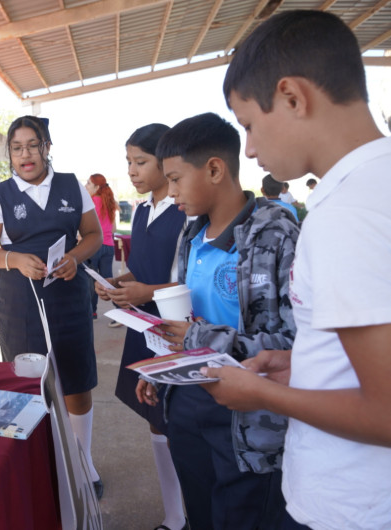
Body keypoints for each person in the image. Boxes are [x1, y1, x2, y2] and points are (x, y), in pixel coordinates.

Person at [203, 10, 391, 530]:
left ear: (292, 97)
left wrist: (262, 393)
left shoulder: (346, 216)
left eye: (248, 125)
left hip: (354, 508)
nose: (251, 148)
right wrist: (303, 364)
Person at [138, 112, 299, 529]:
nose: (170, 191)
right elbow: (184, 316)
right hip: (189, 401)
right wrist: (160, 368)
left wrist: (197, 337)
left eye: (175, 178)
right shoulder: (191, 234)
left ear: (214, 169)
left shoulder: (275, 232)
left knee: (243, 513)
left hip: (248, 416)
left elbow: (293, 341)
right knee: (202, 509)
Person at [0, 115, 104, 498]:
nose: (25, 154)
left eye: (33, 145)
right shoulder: (0, 195)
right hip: (22, 302)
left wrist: (76, 258)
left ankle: (83, 464)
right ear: (9, 154)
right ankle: (38, 464)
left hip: (68, 295)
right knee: (29, 385)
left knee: (77, 383)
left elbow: (93, 234)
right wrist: (13, 260)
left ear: (47, 147)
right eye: (17, 148)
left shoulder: (70, 185)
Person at [95, 123, 187, 530]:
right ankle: (174, 516)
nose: (131, 170)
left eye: (140, 161)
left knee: (180, 420)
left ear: (165, 161)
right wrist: (121, 282)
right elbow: (145, 268)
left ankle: (188, 512)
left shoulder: (185, 212)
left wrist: (145, 290)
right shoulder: (146, 210)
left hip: (174, 330)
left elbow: (189, 279)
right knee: (154, 418)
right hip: (142, 326)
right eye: (128, 162)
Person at [84, 173, 118, 319]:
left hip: (94, 245)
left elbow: (86, 226)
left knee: (90, 280)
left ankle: (92, 311)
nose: (85, 186)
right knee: (107, 280)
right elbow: (114, 228)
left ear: (97, 187)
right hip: (109, 246)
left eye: (88, 184)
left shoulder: (92, 201)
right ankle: (122, 307)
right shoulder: (109, 202)